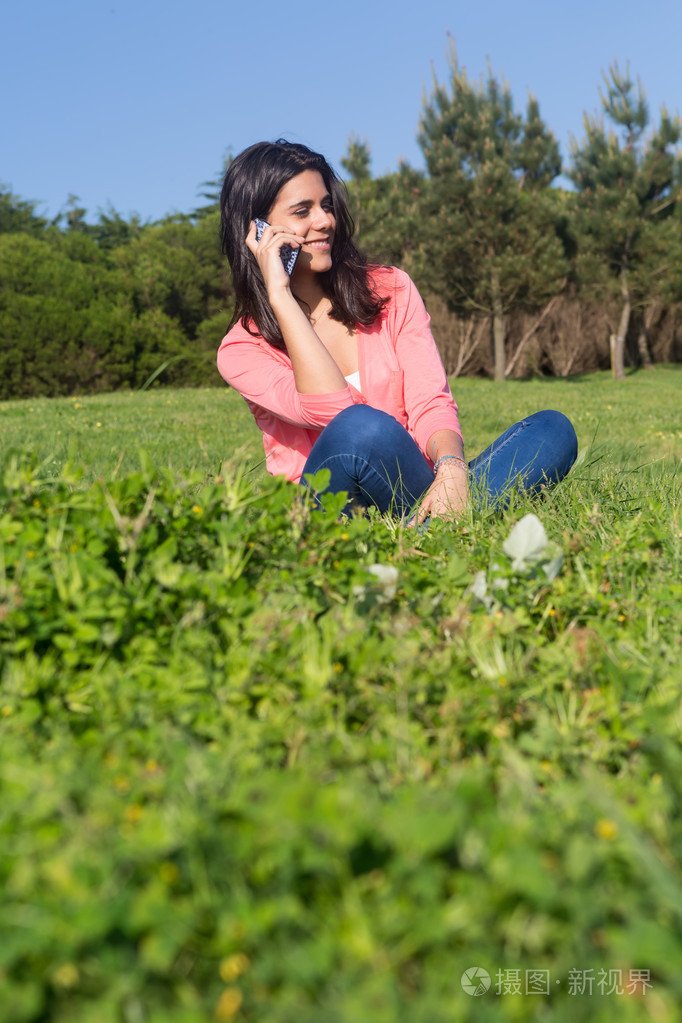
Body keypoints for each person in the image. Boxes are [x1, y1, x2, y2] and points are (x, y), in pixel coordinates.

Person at [217, 139, 577, 523]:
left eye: (326, 205)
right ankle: (443, 529)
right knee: (360, 425)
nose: (324, 221)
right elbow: (334, 413)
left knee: (552, 429)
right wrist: (281, 297)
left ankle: (429, 528)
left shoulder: (391, 289)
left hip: (408, 484)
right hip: (330, 509)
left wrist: (452, 469)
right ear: (256, 232)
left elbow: (430, 402)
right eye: (302, 211)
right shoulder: (241, 349)